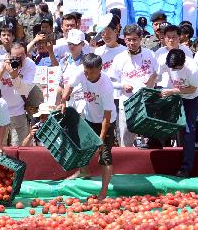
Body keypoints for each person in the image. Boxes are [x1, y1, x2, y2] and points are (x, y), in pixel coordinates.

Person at [57, 53, 116, 199]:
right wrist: (64, 100)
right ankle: (84, 171)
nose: (88, 75)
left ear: (100, 69)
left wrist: (100, 139)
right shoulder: (81, 72)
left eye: (92, 72)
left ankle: (104, 190)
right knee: (81, 146)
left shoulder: (106, 86)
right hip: (89, 116)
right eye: (86, 72)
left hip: (106, 121)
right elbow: (69, 86)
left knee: (105, 155)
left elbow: (107, 115)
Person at [110, 24, 157, 147]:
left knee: (148, 138)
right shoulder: (119, 58)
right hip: (127, 102)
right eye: (128, 40)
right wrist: (122, 85)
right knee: (126, 137)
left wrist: (152, 79)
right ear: (124, 39)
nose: (131, 43)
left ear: (140, 39)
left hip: (147, 102)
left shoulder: (150, 54)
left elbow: (158, 74)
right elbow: (111, 81)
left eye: (134, 39)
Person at [158, 49, 198, 177]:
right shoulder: (165, 62)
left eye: (177, 68)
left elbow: (192, 89)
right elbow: (156, 75)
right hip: (174, 94)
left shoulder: (192, 68)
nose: (175, 70)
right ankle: (154, 143)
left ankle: (186, 167)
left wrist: (173, 91)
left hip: (191, 97)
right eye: (172, 68)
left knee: (188, 130)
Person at [0, 43, 36, 146]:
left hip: (18, 110)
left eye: (21, 57)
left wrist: (15, 76)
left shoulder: (30, 65)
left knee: (19, 147)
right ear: (9, 55)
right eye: (15, 58)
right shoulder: (1, 60)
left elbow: (24, 90)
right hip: (0, 110)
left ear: (26, 54)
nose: (18, 61)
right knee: (1, 146)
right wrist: (3, 68)